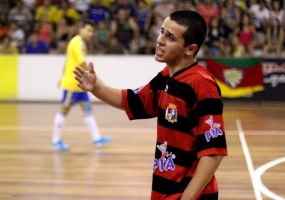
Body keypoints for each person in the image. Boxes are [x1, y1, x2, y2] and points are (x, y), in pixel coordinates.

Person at [74, 10, 228, 200]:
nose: (160, 40)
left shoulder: (202, 84)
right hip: (164, 190)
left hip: (189, 194)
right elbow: (133, 101)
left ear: (190, 49)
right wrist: (95, 87)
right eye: (162, 32)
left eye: (170, 37)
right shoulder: (166, 76)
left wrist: (188, 197)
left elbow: (213, 151)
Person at [51, 20, 111, 151]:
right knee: (64, 110)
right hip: (73, 84)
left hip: (79, 84)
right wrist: (98, 81)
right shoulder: (77, 42)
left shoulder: (79, 42)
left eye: (92, 31)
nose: (91, 33)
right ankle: (55, 141)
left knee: (87, 110)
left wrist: (61, 76)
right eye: (89, 30)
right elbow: (82, 63)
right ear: (81, 30)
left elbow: (68, 61)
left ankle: (97, 138)